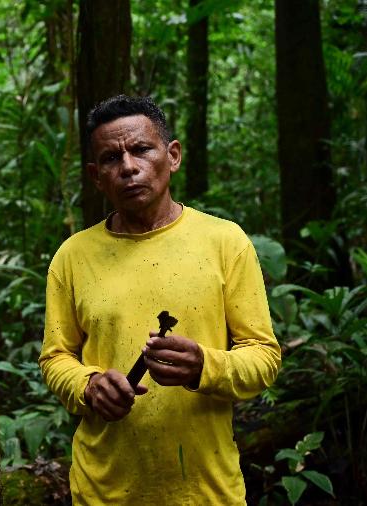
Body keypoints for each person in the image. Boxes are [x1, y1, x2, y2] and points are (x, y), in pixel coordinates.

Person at [39, 95, 281, 505]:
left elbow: (263, 357)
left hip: (205, 490)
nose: (129, 167)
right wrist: (89, 384)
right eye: (112, 158)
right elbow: (56, 356)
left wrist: (205, 366)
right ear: (97, 177)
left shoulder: (225, 243)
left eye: (141, 149)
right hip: (105, 490)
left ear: (172, 156)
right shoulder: (73, 257)